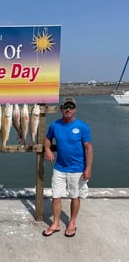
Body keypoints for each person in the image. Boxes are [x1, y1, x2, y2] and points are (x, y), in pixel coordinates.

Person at [42, 97, 93, 238]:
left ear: (75, 109)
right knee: (56, 197)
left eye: (71, 107)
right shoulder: (54, 125)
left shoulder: (82, 127)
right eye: (65, 107)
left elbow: (88, 148)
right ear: (61, 109)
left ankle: (72, 223)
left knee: (75, 197)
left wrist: (88, 168)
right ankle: (56, 223)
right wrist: (48, 149)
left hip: (77, 169)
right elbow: (47, 139)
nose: (68, 109)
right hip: (59, 168)